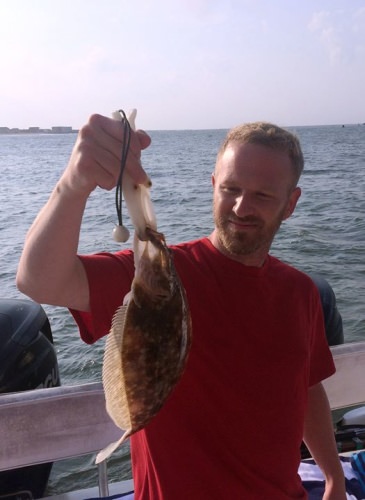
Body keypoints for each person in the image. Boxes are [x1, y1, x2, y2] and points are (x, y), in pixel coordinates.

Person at [16, 114, 346, 499]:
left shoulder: (301, 292)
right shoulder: (159, 276)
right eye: (231, 188)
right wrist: (75, 183)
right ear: (212, 186)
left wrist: (333, 476)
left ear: (290, 204)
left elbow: (306, 388)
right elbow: (39, 280)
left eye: (262, 196)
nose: (241, 207)